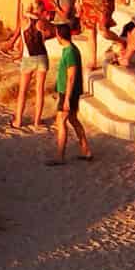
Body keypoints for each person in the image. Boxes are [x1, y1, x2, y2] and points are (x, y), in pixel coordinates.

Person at [47, 21, 93, 165]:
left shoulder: (71, 52)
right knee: (72, 119)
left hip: (68, 93)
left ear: (59, 36)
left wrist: (66, 98)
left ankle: (60, 156)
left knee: (61, 121)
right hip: (66, 92)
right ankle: (86, 150)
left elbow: (71, 77)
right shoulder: (69, 50)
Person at [11, 13, 49, 128]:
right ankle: (37, 121)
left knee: (23, 91)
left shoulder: (23, 20)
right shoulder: (41, 22)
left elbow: (21, 39)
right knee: (40, 90)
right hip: (42, 57)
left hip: (28, 59)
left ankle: (18, 122)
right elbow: (44, 38)